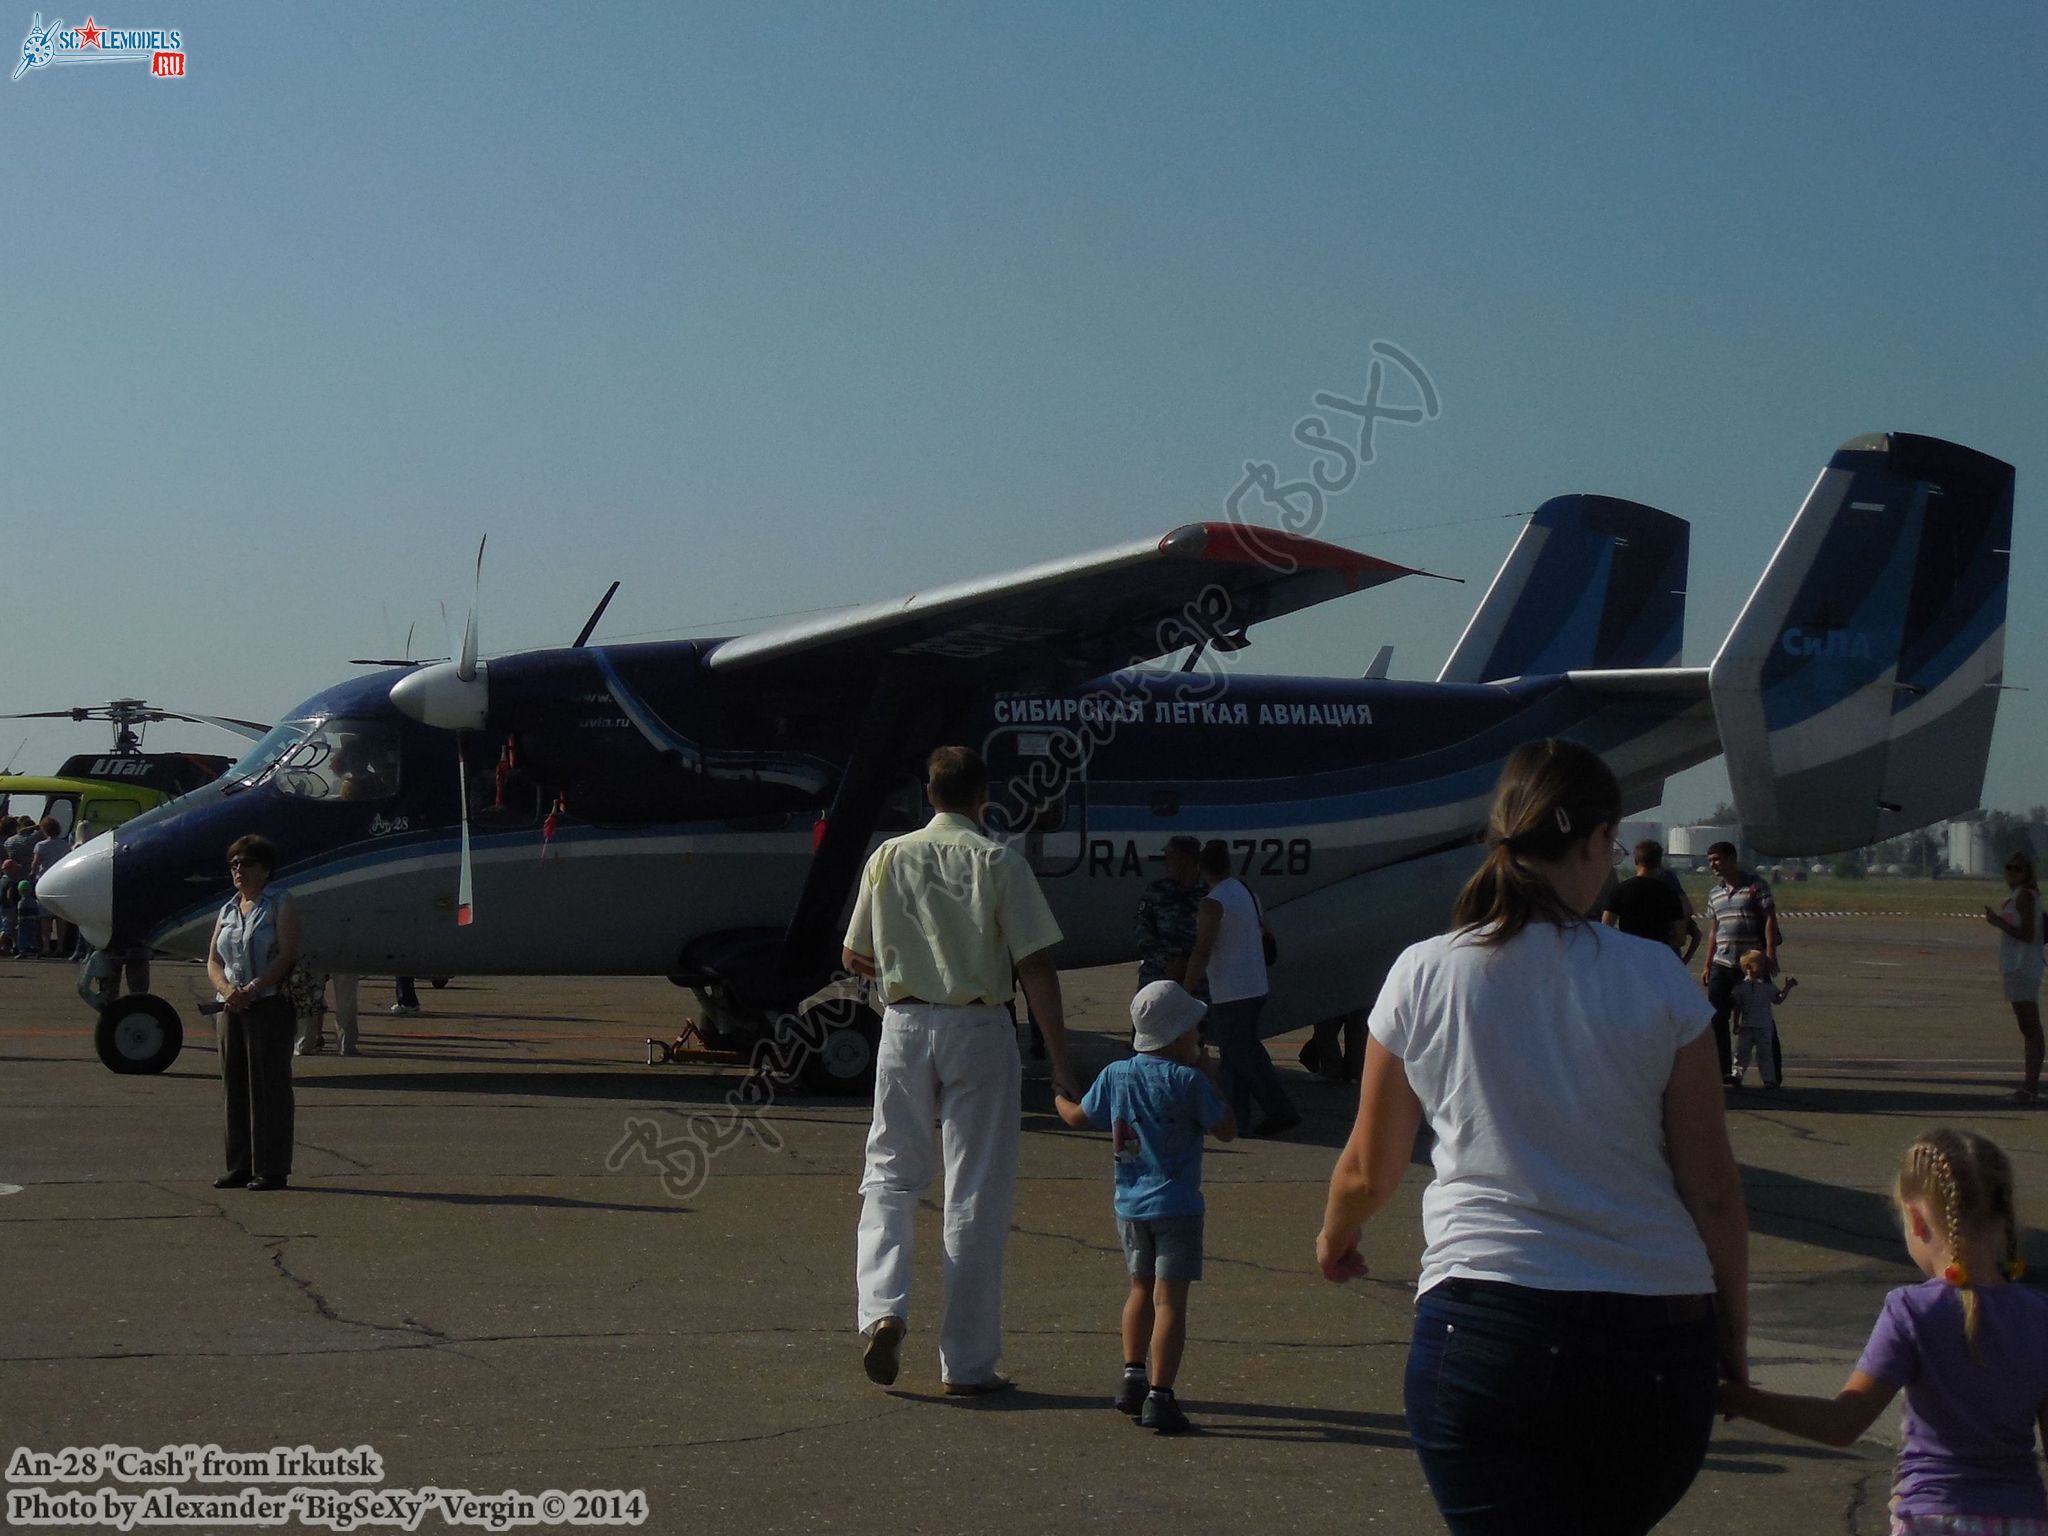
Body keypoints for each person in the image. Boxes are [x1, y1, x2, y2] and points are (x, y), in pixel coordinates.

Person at [1316, 738, 1749, 1536]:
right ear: (1591, 843)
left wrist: (1336, 1238)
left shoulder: (1423, 971)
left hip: (1486, 1336)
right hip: (1653, 1342)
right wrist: (1732, 1332)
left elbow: (1367, 1170)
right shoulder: (1657, 978)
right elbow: (1714, 1189)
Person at [842, 745, 1077, 1395]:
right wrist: (1062, 1065)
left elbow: (854, 955)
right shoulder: (999, 861)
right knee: (975, 1189)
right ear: (982, 797)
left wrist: (903, 966)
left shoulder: (888, 858)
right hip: (977, 1028)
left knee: (890, 1173)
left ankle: (882, 1308)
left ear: (929, 793)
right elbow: (1035, 966)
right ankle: (968, 1363)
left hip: (905, 1026)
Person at [1720, 1129, 2048, 1534]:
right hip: (2025, 1520)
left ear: (1915, 1219)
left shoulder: (1912, 1310)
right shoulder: (2040, 1316)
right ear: (2006, 1217)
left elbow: (1842, 1422)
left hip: (1933, 1518)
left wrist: (1737, 1397)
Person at [1054, 980, 1235, 1434]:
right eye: (1195, 1029)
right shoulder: (1189, 1080)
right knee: (1170, 1299)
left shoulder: (1117, 1074)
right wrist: (1210, 1074)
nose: (1199, 1037)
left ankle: (1133, 1375)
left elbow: (1079, 1116)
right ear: (1178, 1035)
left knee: (1139, 1289)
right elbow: (1227, 1128)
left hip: (1130, 1205)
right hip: (1177, 1205)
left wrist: (1060, 1096)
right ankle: (1161, 1395)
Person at [206, 835, 303, 1191]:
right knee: (234, 1086)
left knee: (269, 1087)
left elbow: (288, 952)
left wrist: (255, 987)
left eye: (246, 864)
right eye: (234, 864)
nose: (238, 871)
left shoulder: (280, 902)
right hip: (231, 1006)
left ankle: (272, 1166)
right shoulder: (228, 908)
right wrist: (228, 990)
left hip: (269, 1003)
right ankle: (239, 1165)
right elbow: (214, 959)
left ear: (265, 869)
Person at [1183, 839, 1299, 1137]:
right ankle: (1237, 1119)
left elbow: (1203, 950)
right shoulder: (1247, 893)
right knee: (1233, 1059)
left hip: (1232, 990)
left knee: (1244, 1054)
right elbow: (1266, 930)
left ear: (1200, 868)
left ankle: (1280, 1110)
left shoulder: (1212, 903)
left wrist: (1186, 988)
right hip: (1255, 984)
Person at [1702, 840, 1780, 1081]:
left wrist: (1770, 955)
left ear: (1731, 859)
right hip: (1722, 963)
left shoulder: (1756, 886)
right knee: (1716, 1015)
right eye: (1710, 861)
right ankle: (1723, 1070)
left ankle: (1772, 1073)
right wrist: (1707, 964)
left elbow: (1769, 918)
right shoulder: (1715, 893)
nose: (1713, 865)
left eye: (1717, 859)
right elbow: (1714, 930)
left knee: (1761, 1018)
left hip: (1751, 964)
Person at [1983, 849, 2044, 1104]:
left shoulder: (2026, 898)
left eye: (2018, 868)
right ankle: (2029, 1086)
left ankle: (2030, 1088)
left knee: (2031, 1027)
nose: (2012, 872)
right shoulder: (2017, 897)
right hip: (2015, 967)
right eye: (2009, 867)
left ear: (2027, 873)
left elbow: (2027, 934)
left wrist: (1998, 922)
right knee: (2026, 1026)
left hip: (2023, 966)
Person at [1602, 839, 1698, 959]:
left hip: (1630, 956)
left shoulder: (1620, 890)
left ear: (1636, 861)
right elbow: (1680, 939)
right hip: (1658, 958)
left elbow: (1605, 928)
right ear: (1659, 863)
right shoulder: (1670, 894)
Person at [1133, 836, 1205, 990]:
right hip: (1158, 979)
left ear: (1186, 858)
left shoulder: (1209, 893)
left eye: (1172, 857)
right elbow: (1143, 935)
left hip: (1198, 982)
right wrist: (1169, 963)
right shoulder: (1157, 892)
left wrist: (1189, 964)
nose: (1167, 862)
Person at [1728, 950, 1797, 1089]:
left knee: (1765, 1054)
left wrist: (1787, 988)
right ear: (1748, 967)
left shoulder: (1767, 986)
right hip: (1747, 1025)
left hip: (1764, 1026)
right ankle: (1737, 1075)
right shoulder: (1741, 987)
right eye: (1760, 964)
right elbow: (1737, 1007)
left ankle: (1769, 1079)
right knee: (1741, 1053)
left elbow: (1777, 999)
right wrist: (1736, 1023)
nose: (1763, 968)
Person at [29, 816, 73, 958]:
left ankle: (46, 946)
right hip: (61, 881)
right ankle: (60, 946)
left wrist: (31, 875)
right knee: (61, 916)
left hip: (45, 881)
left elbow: (35, 865)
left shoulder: (40, 846)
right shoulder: (65, 845)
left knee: (45, 918)